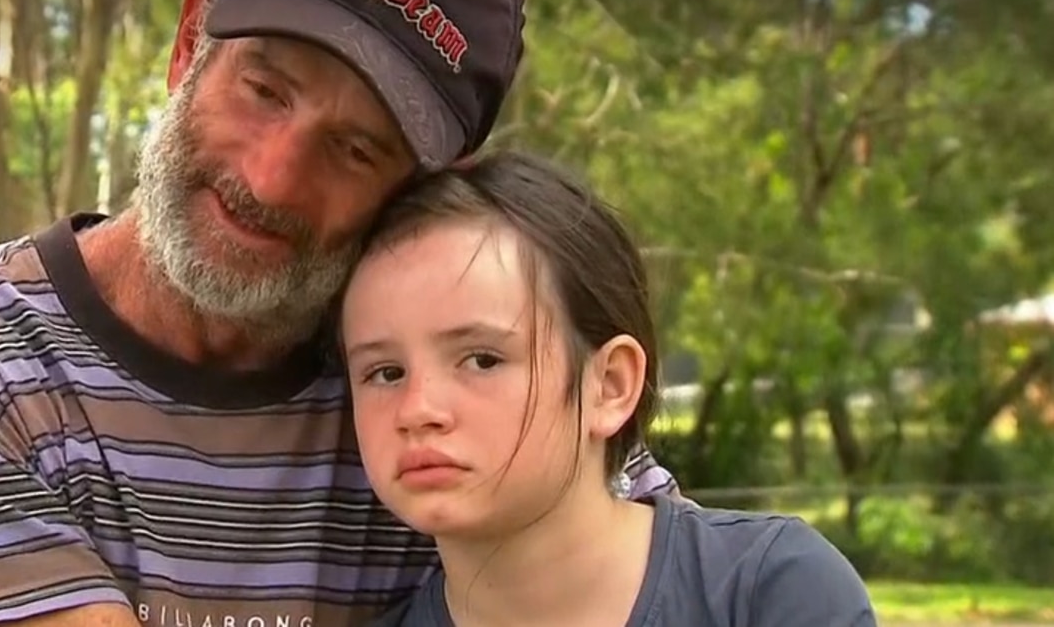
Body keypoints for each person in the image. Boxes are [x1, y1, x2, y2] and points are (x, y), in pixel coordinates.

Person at [0, 0, 680, 627]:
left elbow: (666, 583)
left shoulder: (447, 379)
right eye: (264, 90)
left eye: (355, 148)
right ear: (190, 39)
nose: (269, 180)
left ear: (425, 188)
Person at [338, 150, 878, 626]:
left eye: (482, 359)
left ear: (610, 385)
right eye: (385, 373)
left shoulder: (769, 593)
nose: (418, 409)